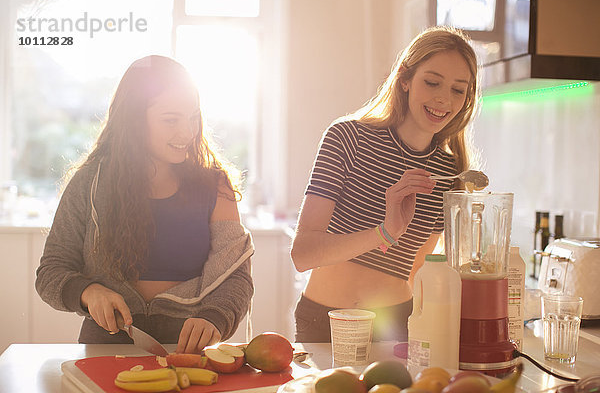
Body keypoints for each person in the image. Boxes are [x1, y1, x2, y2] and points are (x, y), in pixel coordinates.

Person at [36, 55, 254, 353]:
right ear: (134, 119)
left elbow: (236, 277)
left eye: (193, 117)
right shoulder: (89, 182)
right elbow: (51, 272)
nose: (188, 132)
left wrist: (215, 317)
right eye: (170, 120)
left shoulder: (216, 186)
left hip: (187, 350)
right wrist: (88, 291)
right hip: (104, 347)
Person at [291, 26, 480, 342]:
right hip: (324, 322)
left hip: (396, 327)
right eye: (432, 82)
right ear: (404, 79)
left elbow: (418, 270)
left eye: (458, 90)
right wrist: (384, 232)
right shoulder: (347, 138)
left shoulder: (449, 172)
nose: (443, 99)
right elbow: (303, 254)